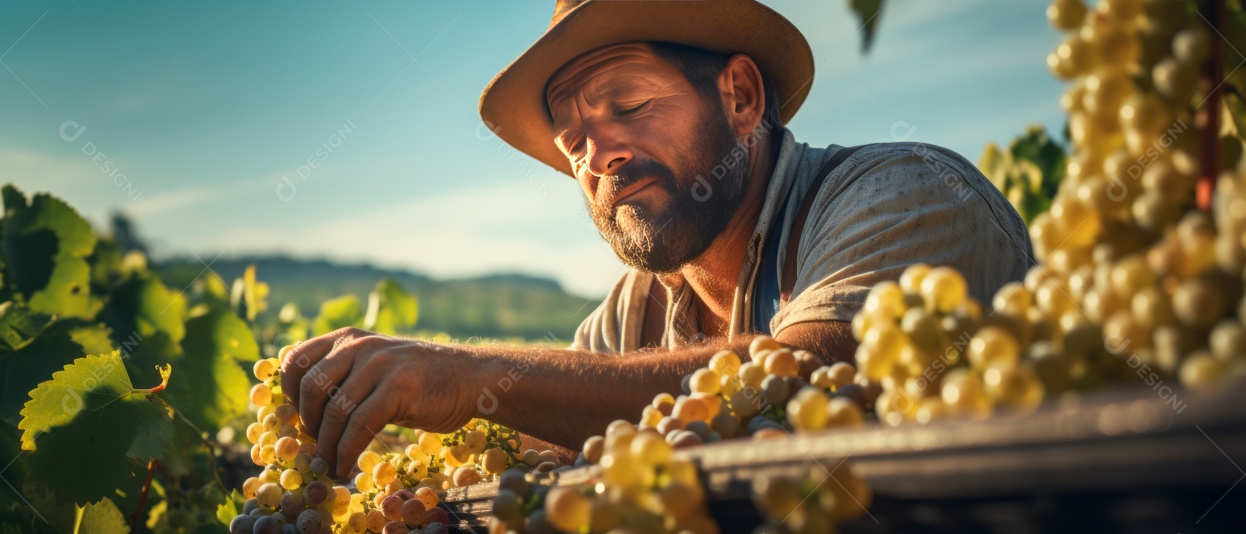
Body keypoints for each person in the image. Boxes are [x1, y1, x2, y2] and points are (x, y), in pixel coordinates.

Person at [281, 0, 1033, 478]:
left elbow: (805, 379)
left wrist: (468, 372)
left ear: (740, 98)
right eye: (573, 143)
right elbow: (552, 428)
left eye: (629, 104)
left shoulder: (908, 193)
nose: (597, 155)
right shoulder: (629, 316)